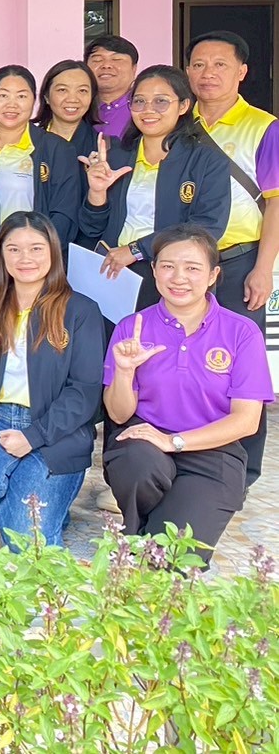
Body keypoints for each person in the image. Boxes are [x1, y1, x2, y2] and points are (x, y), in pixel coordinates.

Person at [101, 225, 272, 564]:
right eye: (167, 266)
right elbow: (119, 415)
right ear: (154, 270)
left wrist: (174, 441)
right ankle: (139, 526)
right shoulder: (131, 327)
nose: (178, 277)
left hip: (213, 450)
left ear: (213, 275)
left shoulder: (242, 332)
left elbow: (246, 421)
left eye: (192, 268)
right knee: (137, 463)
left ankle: (151, 532)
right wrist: (124, 371)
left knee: (171, 560)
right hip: (145, 443)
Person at [0, 213, 104, 549]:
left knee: (29, 544)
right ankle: (41, 505)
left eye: (36, 248)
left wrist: (34, 436)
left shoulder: (80, 311)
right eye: (13, 249)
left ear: (53, 253)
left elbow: (85, 391)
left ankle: (42, 506)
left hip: (57, 430)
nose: (25, 258)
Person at [187, 30, 278, 485]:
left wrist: (263, 269)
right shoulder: (179, 122)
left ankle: (244, 471)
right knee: (186, 362)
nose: (208, 73)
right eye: (199, 64)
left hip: (240, 260)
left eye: (220, 64)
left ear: (241, 71)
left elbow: (275, 203)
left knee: (241, 365)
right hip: (185, 266)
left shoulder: (263, 126)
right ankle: (191, 461)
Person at [77, 65, 230, 309]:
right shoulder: (115, 157)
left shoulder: (206, 160)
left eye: (161, 101)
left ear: (183, 106)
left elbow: (208, 226)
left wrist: (136, 250)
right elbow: (90, 228)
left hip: (173, 277)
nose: (148, 110)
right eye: (139, 101)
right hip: (114, 274)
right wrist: (97, 192)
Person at [0, 65, 81, 248]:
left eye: (22, 96)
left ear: (34, 101)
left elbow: (65, 213)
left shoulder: (57, 149)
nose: (12, 104)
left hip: (31, 255)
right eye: (3, 95)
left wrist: (35, 250)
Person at [34, 58, 100, 156]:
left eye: (82, 91)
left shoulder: (105, 147)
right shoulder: (29, 143)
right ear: (46, 96)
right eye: (62, 90)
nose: (72, 99)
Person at [84, 34, 139, 139]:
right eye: (97, 60)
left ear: (134, 69)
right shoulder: (78, 107)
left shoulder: (144, 109)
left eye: (117, 59)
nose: (106, 65)